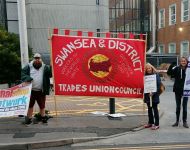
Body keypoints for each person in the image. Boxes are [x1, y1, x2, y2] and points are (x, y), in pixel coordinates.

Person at [21, 53, 52, 125]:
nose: (37, 60)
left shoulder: (45, 67)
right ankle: (29, 118)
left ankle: (43, 117)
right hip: (31, 90)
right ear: (33, 59)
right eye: (36, 58)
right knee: (30, 105)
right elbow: (23, 74)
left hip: (41, 90)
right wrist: (28, 78)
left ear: (41, 59)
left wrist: (51, 66)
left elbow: (50, 74)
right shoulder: (29, 66)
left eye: (38, 58)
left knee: (42, 105)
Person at [167, 57, 189, 128]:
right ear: (180, 62)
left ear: (187, 62)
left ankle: (184, 121)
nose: (183, 62)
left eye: (184, 61)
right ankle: (177, 121)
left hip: (186, 90)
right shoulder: (176, 68)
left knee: (184, 107)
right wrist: (171, 65)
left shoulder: (188, 70)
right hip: (177, 90)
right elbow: (169, 73)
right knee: (178, 106)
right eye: (182, 61)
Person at [144, 63, 161, 130]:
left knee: (155, 109)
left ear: (152, 68)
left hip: (154, 95)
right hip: (147, 95)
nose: (148, 69)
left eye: (149, 68)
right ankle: (150, 122)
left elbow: (158, 85)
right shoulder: (145, 76)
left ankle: (157, 124)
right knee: (149, 110)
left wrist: (153, 93)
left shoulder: (156, 75)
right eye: (147, 68)